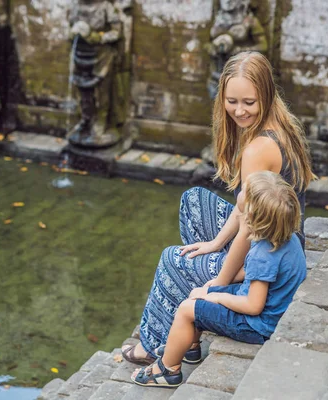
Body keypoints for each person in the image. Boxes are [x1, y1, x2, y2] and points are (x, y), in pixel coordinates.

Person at [121, 51, 314, 365]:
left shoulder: (258, 149)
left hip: (272, 248)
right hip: (285, 236)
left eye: (249, 103)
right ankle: (196, 318)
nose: (239, 111)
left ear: (266, 94)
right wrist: (215, 243)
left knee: (172, 259)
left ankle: (154, 344)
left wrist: (218, 282)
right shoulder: (280, 124)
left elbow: (250, 228)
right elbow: (244, 210)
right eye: (231, 101)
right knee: (194, 202)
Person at [131, 171, 307, 387]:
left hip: (256, 325)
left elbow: (253, 305)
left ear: (252, 218)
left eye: (245, 198)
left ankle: (167, 370)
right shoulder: (287, 239)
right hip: (271, 307)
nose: (240, 196)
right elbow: (259, 276)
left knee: (188, 309)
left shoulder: (263, 254)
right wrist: (212, 291)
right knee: (199, 292)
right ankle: (188, 346)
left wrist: (216, 297)